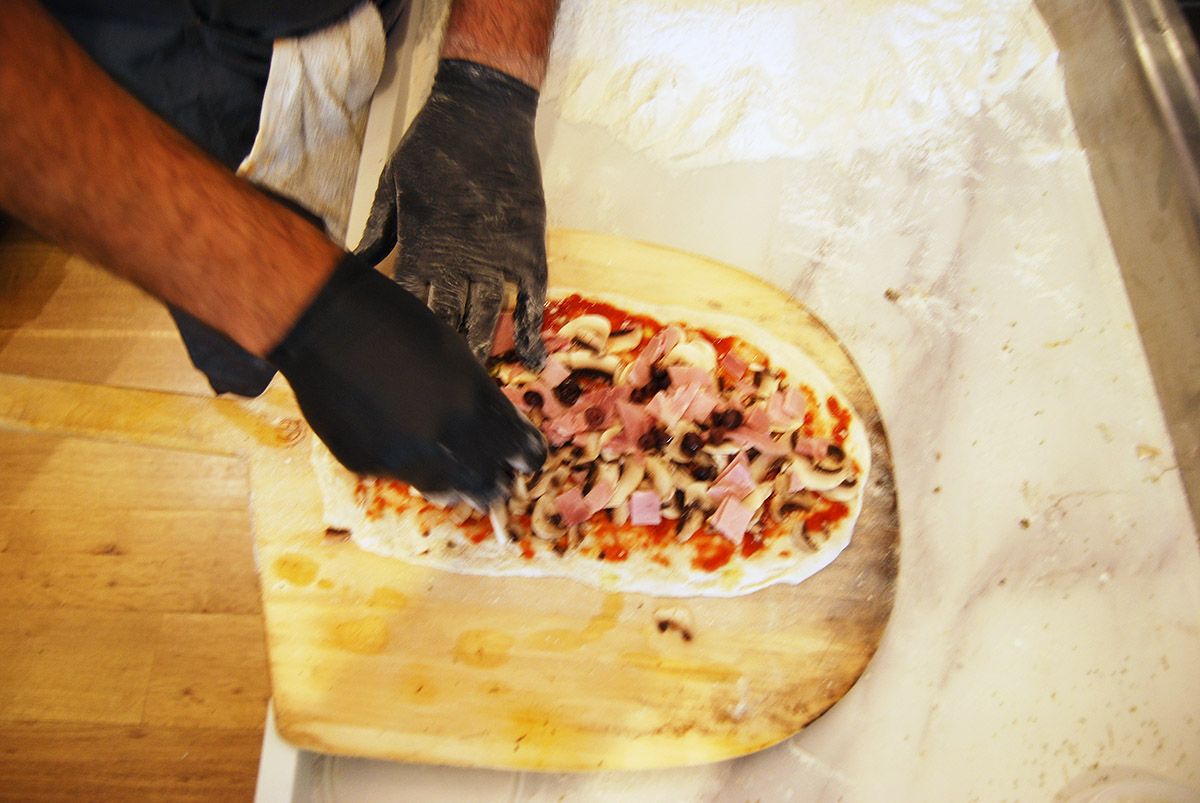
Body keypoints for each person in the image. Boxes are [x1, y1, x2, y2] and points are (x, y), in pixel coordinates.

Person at [0, 0, 559, 507]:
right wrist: (299, 307)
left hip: (378, 29)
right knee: (258, 379)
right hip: (122, 91)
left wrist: (490, 78)